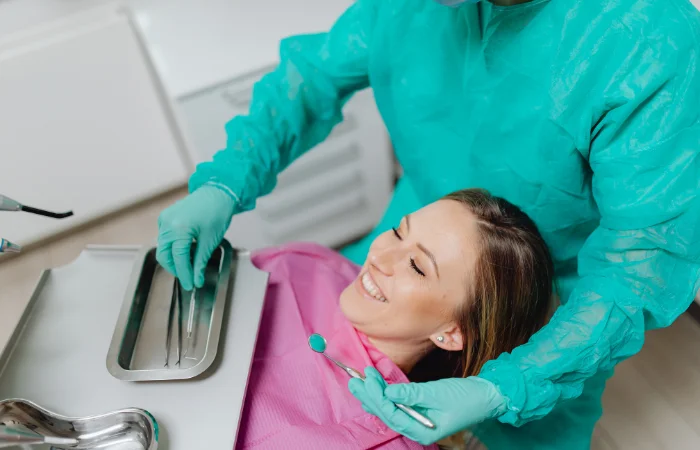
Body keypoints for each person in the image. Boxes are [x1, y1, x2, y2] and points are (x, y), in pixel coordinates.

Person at [156, 0, 700, 447]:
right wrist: (223, 182)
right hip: (422, 221)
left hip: (550, 300)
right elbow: (314, 76)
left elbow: (643, 260)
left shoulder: (645, 40)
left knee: (531, 434)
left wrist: (509, 386)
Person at [237, 189, 553, 449]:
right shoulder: (306, 263)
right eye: (398, 232)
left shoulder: (394, 438)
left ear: (453, 332)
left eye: (417, 266)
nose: (380, 258)